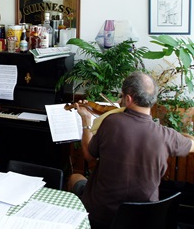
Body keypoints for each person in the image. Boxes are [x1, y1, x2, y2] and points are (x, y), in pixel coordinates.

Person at [67, 71, 194, 229]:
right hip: (145, 219)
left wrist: (86, 121)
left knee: (74, 178)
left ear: (128, 99)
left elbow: (88, 156)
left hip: (103, 217)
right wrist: (181, 136)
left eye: (121, 96)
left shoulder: (111, 123)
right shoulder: (165, 135)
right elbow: (191, 145)